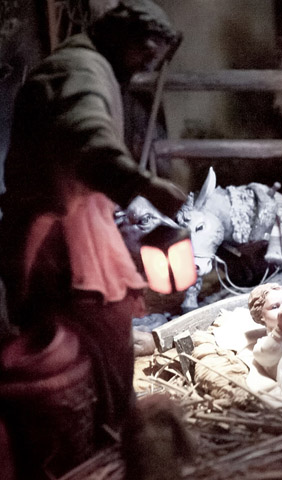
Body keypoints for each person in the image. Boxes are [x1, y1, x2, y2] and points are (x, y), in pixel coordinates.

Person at [0, 0, 186, 475]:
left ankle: (105, 433)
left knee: (101, 335)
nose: (146, 67)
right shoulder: (82, 71)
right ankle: (99, 443)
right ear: (124, 36)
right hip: (61, 233)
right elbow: (87, 140)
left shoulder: (86, 65)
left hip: (73, 220)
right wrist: (145, 186)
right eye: (145, 53)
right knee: (96, 331)